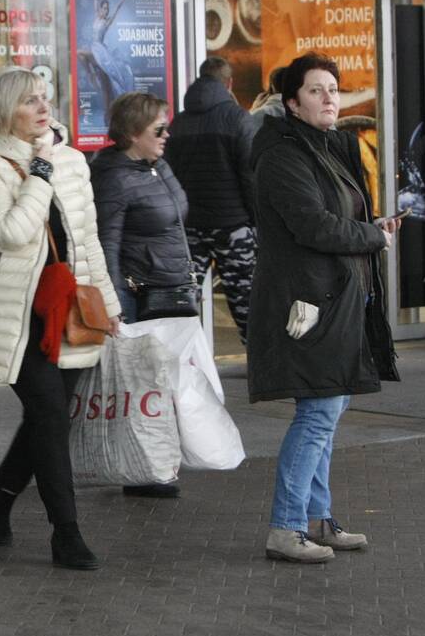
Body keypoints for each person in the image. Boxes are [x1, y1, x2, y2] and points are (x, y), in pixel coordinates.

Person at [0, 67, 121, 570]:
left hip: (68, 311)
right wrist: (40, 175)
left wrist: (109, 307)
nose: (43, 107)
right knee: (50, 415)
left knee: (47, 419)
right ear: (9, 111)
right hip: (18, 318)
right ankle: (66, 533)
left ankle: (2, 497)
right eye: (31, 101)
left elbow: (87, 241)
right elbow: (12, 231)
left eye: (44, 98)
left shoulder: (74, 161)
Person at [248, 52, 400, 564]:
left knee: (327, 410)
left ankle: (316, 520)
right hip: (309, 302)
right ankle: (286, 528)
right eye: (315, 90)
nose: (329, 97)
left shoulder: (329, 147)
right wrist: (371, 236)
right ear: (291, 102)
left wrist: (369, 230)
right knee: (318, 412)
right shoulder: (284, 155)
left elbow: (338, 217)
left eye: (333, 88)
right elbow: (311, 226)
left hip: (336, 299)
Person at [90, 91, 190, 499]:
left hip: (170, 285)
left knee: (163, 381)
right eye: (159, 129)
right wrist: (113, 304)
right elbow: (106, 243)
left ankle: (159, 463)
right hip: (138, 292)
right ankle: (143, 471)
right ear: (133, 133)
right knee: (141, 386)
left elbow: (177, 218)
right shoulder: (114, 176)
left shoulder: (157, 166)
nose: (167, 136)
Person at [164, 55, 259, 345]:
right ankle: (260, 365)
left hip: (190, 226)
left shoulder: (178, 123)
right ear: (229, 83)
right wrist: (256, 221)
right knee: (247, 301)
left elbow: (170, 174)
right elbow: (250, 177)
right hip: (233, 226)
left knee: (182, 302)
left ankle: (180, 364)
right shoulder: (239, 119)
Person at [77, 0, 134, 122]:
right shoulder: (97, 16)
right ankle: (108, 115)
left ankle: (91, 75)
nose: (106, 11)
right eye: (104, 8)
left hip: (101, 53)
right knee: (106, 87)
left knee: (80, 52)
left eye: (107, 9)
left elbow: (118, 8)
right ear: (100, 9)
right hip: (94, 48)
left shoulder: (107, 22)